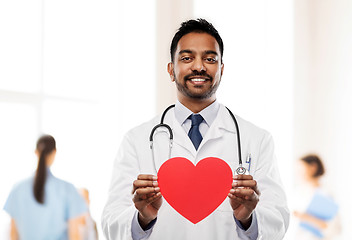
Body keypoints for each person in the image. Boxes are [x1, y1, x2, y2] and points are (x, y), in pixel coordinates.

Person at [102, 18, 289, 240]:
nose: (199, 66)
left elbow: (278, 220)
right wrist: (143, 218)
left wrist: (247, 218)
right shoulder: (137, 139)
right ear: (171, 70)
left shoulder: (257, 139)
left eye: (210, 58)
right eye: (187, 58)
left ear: (221, 69)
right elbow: (111, 223)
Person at [3, 134, 87, 240]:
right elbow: (74, 235)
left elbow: (13, 233)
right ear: (54, 153)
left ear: (36, 152)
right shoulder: (68, 190)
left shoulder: (18, 189)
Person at [293, 154, 341, 239]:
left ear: (313, 167)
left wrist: (306, 217)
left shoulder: (325, 194)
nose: (298, 173)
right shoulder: (297, 192)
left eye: (301, 169)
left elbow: (335, 228)